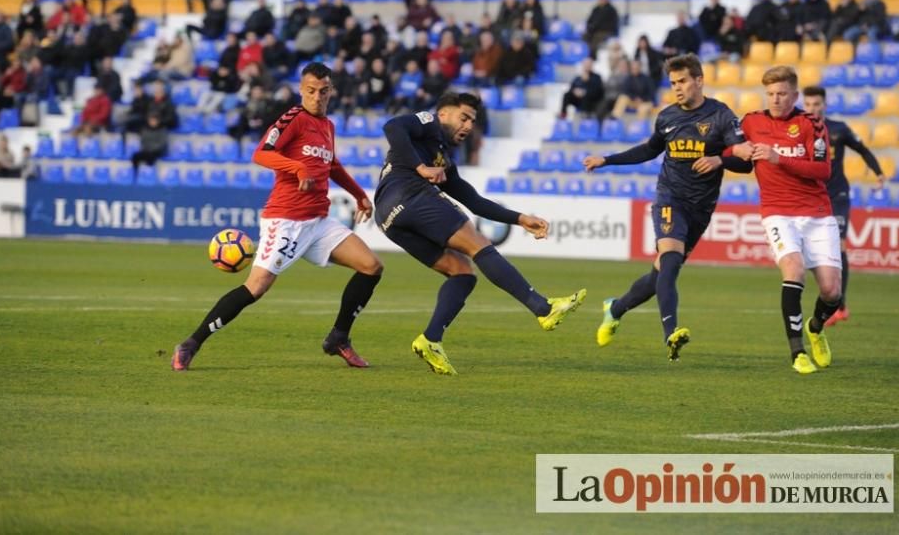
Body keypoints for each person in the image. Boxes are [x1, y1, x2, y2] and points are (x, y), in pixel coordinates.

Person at [172, 63, 384, 371]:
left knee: (371, 267)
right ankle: (191, 343)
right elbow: (261, 153)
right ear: (301, 90)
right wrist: (297, 168)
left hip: (318, 222)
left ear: (331, 91)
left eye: (323, 91)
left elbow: (332, 165)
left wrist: (359, 194)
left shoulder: (328, 125)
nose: (317, 97)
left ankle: (339, 337)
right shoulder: (293, 118)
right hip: (286, 219)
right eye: (311, 91)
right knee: (256, 287)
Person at [375, 92, 586, 375]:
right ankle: (543, 308)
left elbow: (472, 200)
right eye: (464, 117)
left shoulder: (443, 158)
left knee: (462, 272)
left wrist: (520, 218)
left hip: (389, 218)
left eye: (472, 121)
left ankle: (430, 340)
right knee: (478, 244)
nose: (468, 126)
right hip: (410, 194)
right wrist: (421, 168)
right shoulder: (428, 122)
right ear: (444, 114)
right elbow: (392, 127)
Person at [584, 54, 749, 361]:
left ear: (699, 80)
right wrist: (607, 160)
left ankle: (615, 308)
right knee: (670, 262)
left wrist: (719, 159)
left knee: (658, 274)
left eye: (683, 81)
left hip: (701, 208)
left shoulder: (721, 115)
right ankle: (671, 332)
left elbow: (746, 161)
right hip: (669, 198)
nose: (677, 88)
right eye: (673, 83)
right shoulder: (667, 117)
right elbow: (649, 149)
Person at [737, 66, 841, 374]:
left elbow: (823, 171)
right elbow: (730, 147)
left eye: (782, 93)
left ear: (795, 95)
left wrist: (778, 158)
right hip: (778, 212)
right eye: (770, 94)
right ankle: (797, 352)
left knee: (832, 292)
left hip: (818, 214)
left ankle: (816, 327)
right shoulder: (751, 121)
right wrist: (731, 150)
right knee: (794, 270)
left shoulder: (812, 124)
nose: (775, 99)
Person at [801, 86, 883, 327]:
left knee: (839, 245)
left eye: (817, 104)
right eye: (808, 105)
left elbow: (863, 149)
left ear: (824, 105)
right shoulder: (799, 130)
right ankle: (832, 300)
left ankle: (840, 306)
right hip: (812, 196)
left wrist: (878, 172)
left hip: (837, 196)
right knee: (813, 251)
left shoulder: (838, 129)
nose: (812, 109)